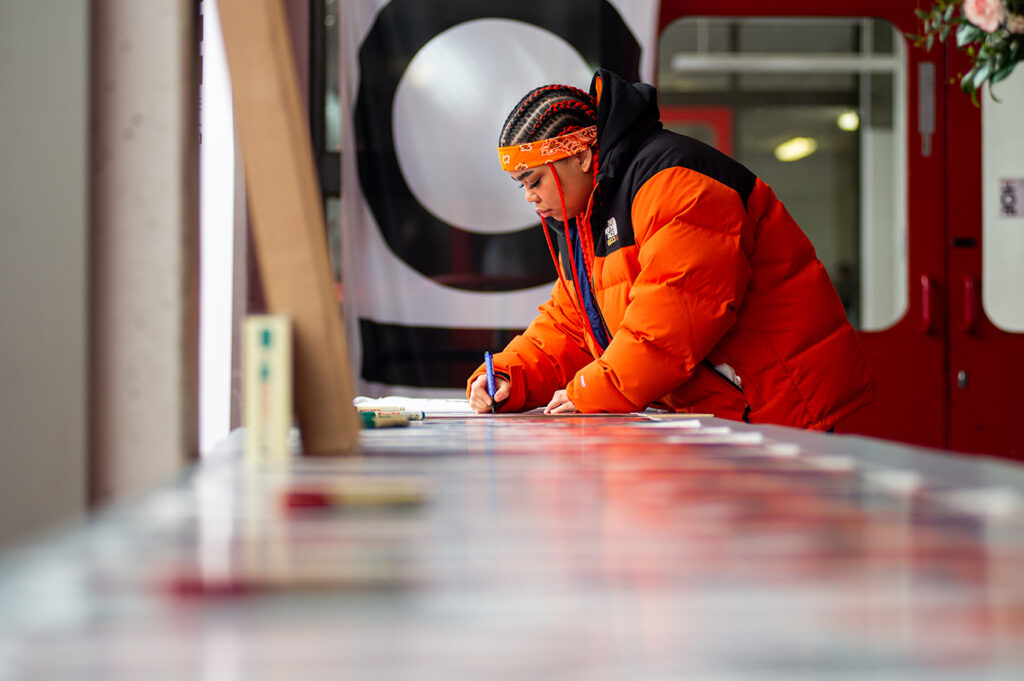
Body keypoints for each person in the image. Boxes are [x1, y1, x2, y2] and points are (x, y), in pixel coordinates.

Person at [466, 68, 875, 430]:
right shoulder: (589, 216)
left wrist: (594, 389)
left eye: (534, 180)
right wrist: (509, 376)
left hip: (778, 409)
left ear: (584, 156)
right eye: (521, 185)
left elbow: (673, 319)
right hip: (724, 414)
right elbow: (573, 322)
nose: (530, 198)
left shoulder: (676, 182)